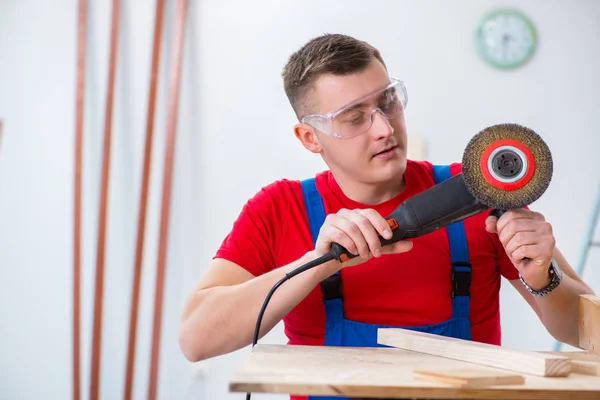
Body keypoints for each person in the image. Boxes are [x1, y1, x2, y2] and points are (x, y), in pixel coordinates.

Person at [178, 33, 594, 399]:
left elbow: (584, 334)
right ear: (310, 138)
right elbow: (196, 338)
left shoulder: (476, 193)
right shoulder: (278, 209)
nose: (383, 129)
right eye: (355, 117)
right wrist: (314, 266)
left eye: (388, 102)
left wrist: (543, 277)